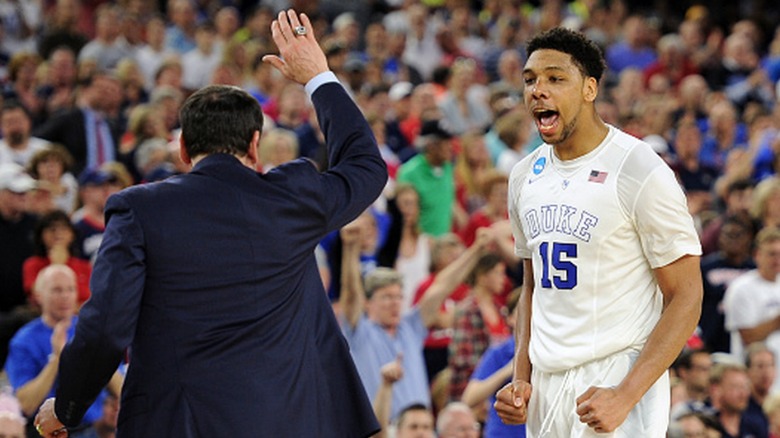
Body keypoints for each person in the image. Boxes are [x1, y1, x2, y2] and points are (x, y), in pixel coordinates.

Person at [33, 10, 386, 437]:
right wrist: (318, 77)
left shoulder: (139, 210)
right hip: (292, 423)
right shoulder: (292, 197)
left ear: (183, 148)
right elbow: (366, 166)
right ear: (255, 145)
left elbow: (106, 327)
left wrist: (67, 406)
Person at [495, 27, 702, 436]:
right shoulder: (523, 176)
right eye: (530, 80)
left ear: (590, 89)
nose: (538, 90)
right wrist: (522, 376)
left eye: (555, 78)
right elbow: (533, 287)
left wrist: (626, 394)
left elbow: (687, 295)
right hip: (547, 384)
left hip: (616, 375)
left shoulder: (639, 168)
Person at [6, 265, 122, 437]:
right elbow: (26, 404)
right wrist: (57, 358)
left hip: (97, 429)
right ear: (39, 295)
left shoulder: (92, 331)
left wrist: (96, 356)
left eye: (70, 289)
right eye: (57, 290)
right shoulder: (24, 340)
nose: (65, 296)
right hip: (48, 432)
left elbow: (122, 390)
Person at [723, 226, 780, 390]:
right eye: (771, 254)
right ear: (757, 255)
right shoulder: (741, 288)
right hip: (752, 379)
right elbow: (747, 336)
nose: (777, 259)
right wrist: (777, 321)